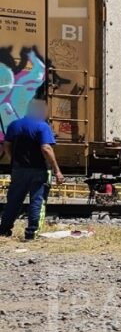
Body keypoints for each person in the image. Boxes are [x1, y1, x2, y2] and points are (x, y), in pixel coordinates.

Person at [0, 99, 64, 240]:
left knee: (13, 201)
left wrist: (13, 159)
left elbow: (6, 144)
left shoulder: (14, 125)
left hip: (19, 170)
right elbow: (46, 148)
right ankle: (31, 233)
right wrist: (57, 170)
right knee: (37, 201)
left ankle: (4, 230)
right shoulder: (42, 126)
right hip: (39, 170)